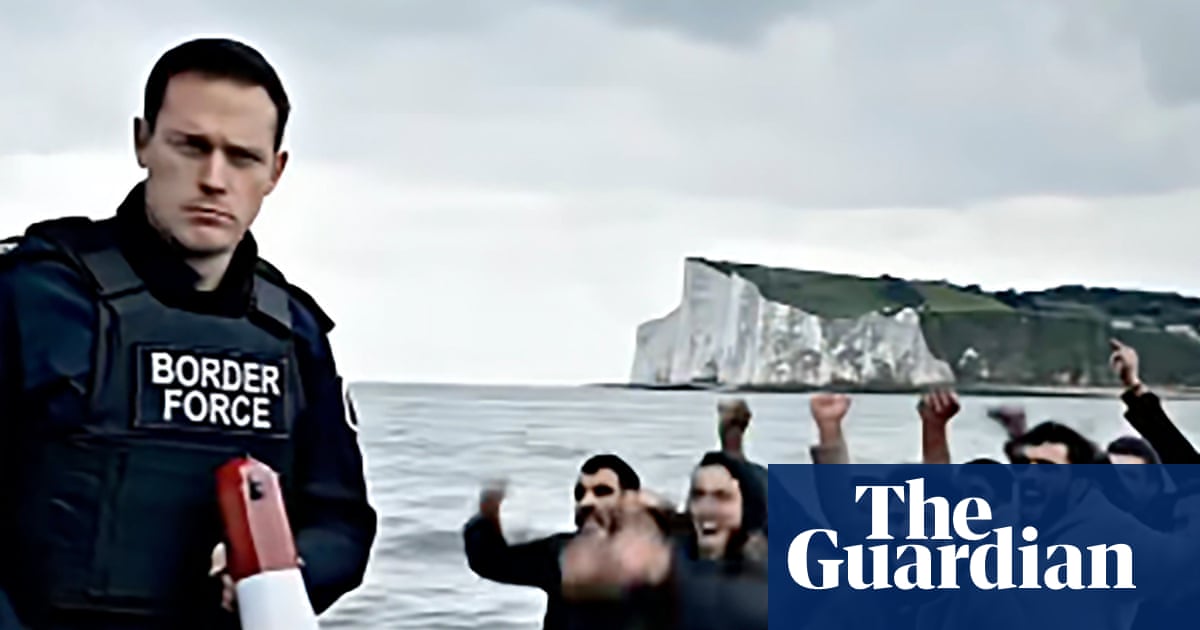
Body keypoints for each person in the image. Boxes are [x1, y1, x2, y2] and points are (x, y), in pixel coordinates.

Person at [0, 38, 377, 629]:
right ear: (143, 141)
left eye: (242, 157)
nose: (213, 179)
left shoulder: (292, 332)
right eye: (191, 146)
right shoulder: (30, 297)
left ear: (275, 172)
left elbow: (341, 521)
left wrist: (286, 573)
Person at [463, 453, 642, 630]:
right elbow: (490, 561)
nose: (587, 502)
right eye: (580, 494)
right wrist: (488, 514)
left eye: (602, 492)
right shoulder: (562, 554)